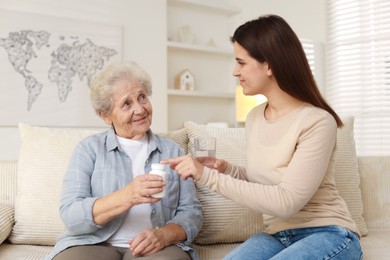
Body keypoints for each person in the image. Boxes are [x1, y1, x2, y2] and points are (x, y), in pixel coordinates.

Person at [162, 15, 362, 260]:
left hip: (329, 232)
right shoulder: (255, 117)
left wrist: (207, 176)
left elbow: (286, 201)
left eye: (241, 63)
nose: (235, 72)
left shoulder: (317, 121)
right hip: (277, 235)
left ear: (268, 65)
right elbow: (268, 182)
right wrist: (228, 170)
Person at [46, 61, 203, 260]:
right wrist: (128, 195)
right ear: (105, 115)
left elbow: (192, 213)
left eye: (142, 97)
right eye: (127, 104)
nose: (140, 109)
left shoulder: (173, 150)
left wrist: (164, 235)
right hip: (93, 243)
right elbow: (71, 215)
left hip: (155, 248)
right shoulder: (88, 149)